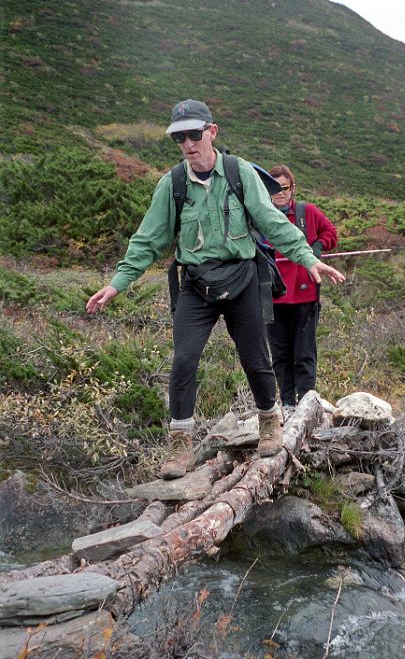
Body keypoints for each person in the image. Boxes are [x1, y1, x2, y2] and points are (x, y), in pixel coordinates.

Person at [86, 99, 345, 480]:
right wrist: (116, 284)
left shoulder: (240, 174)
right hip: (196, 285)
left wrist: (308, 258)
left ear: (212, 131)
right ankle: (179, 444)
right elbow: (148, 240)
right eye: (180, 137)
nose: (188, 143)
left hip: (243, 279)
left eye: (194, 133)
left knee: (257, 359)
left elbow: (272, 222)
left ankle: (269, 422)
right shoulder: (172, 184)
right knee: (184, 360)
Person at [267, 165, 338, 415]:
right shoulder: (259, 217)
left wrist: (317, 247)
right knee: (280, 354)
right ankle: (287, 404)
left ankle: (307, 403)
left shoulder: (307, 213)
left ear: (292, 188)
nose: (279, 193)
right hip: (272, 298)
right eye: (273, 188)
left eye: (283, 188)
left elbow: (331, 232)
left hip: (305, 296)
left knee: (304, 352)